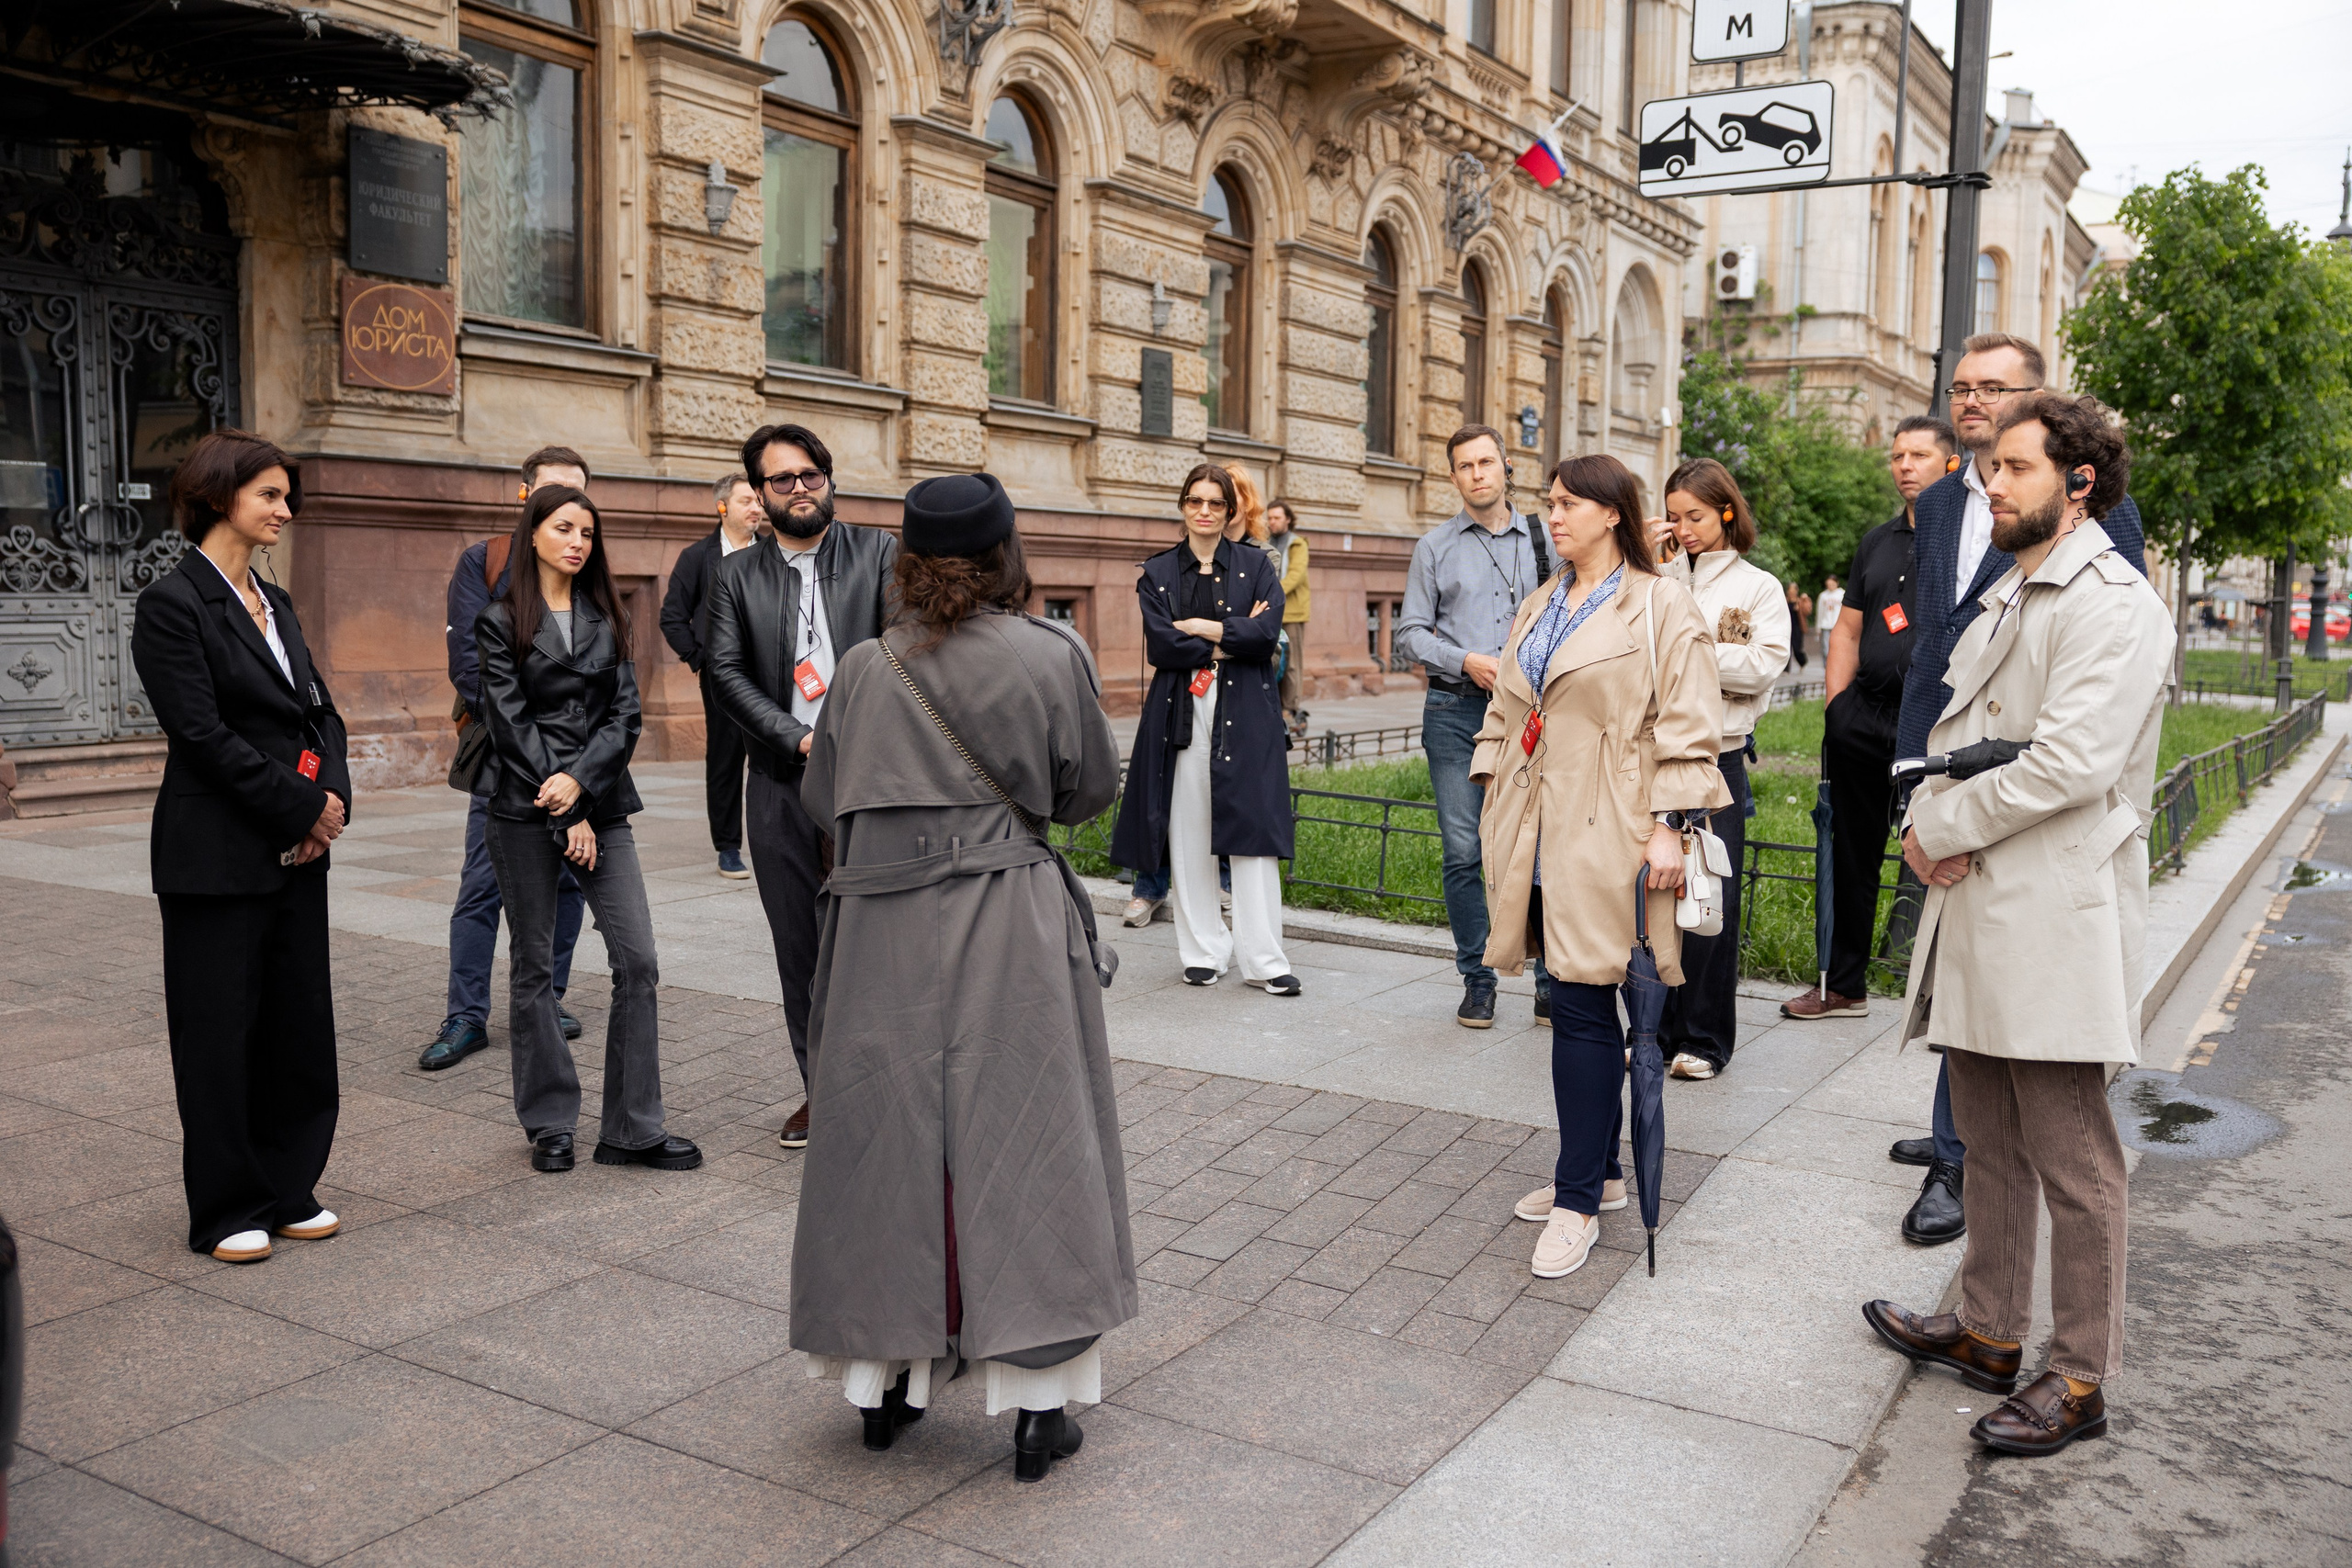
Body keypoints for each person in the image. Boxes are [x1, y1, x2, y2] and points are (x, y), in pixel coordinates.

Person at [792, 471, 1134, 1481]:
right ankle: (1037, 1410)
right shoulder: (1050, 652)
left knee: (882, 1143)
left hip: (879, 927)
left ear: (906, 558)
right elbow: (1086, 794)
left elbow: (825, 796)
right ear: (1003, 556)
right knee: (1029, 1137)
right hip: (1010, 921)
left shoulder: (862, 667)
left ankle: (882, 1392)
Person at [1863, 391, 2171, 1459]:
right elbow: (1956, 731)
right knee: (1987, 1136)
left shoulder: (2112, 603)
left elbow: (2072, 764)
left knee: (2072, 1161)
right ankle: (1991, 1328)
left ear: (2077, 484)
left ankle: (2080, 1374)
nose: (1988, 483)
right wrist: (1925, 816)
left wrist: (1935, 823)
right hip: (1983, 901)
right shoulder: (2014, 590)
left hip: (2048, 912)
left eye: (2014, 468)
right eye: (1989, 467)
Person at [1890, 334, 2148, 1246]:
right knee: (1962, 1029)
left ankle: (2075, 1379)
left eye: (1993, 389)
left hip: (2031, 843)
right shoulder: (1942, 504)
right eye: (1961, 388)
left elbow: (2084, 726)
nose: (1970, 402)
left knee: (2060, 1138)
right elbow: (1935, 650)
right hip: (1947, 786)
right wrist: (1914, 785)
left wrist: (1949, 820)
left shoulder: (2096, 542)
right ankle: (1982, 1306)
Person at [1472, 455, 1729, 1276]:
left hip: (1617, 826)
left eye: (1570, 503)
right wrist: (1489, 778)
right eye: (1548, 503)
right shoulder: (1542, 601)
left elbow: (1691, 723)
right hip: (1539, 825)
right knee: (1571, 994)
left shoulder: (1660, 604)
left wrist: (1670, 828)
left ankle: (1577, 1196)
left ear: (1614, 513)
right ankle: (1603, 1173)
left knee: (1587, 1005)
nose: (1554, 515)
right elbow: (1508, 704)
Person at [132, 430, 350, 1263]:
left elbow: (317, 711)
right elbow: (201, 735)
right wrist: (301, 809)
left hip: (298, 850)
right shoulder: (172, 604)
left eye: (286, 496)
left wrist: (332, 797)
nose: (285, 510)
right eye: (271, 495)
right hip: (216, 855)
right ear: (221, 494)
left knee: (297, 1027)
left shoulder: (279, 601)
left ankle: (289, 1186)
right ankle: (226, 1207)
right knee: (220, 1033)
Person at [475, 485, 697, 1175]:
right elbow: (508, 723)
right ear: (533, 535)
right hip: (522, 806)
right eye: (564, 527)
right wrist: (564, 807)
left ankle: (632, 1127)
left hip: (600, 800)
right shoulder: (499, 619)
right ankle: (549, 1122)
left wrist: (584, 791)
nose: (577, 541)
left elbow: (624, 717)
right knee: (535, 966)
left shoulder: (610, 615)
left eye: (588, 533)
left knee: (638, 960)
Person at [706, 423, 899, 1152]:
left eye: (810, 475)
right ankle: (825, 1092)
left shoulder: (879, 552)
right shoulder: (735, 576)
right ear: (757, 494)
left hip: (869, 782)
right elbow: (724, 673)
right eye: (781, 480)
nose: (799, 489)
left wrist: (849, 736)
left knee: (878, 942)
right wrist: (798, 736)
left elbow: (899, 650)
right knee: (801, 947)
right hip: (782, 781)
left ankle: (890, 1086)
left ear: (829, 478)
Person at [420, 447, 589, 1072]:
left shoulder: (586, 566)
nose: (567, 509)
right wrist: (531, 744)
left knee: (570, 877)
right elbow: (469, 667)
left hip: (574, 761)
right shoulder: (484, 561)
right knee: (483, 884)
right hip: (503, 753)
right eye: (552, 493)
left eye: (578, 497)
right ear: (525, 497)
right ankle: (466, 1015)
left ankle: (548, 997)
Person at [1782, 418, 1952, 1027]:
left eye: (1920, 454)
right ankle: (1842, 986)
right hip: (1863, 721)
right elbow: (1849, 627)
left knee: (1945, 852)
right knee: (1849, 858)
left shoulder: (1970, 540)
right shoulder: (1875, 542)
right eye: (1898, 454)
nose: (1906, 464)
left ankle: (1947, 995)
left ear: (1951, 465)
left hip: (1936, 730)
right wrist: (1836, 707)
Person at [1109, 464, 1299, 994]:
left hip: (1248, 711)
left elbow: (1267, 636)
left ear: (1230, 510)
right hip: (1180, 712)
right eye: (1196, 501)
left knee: (1253, 837)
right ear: (1183, 507)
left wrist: (1205, 628)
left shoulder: (1257, 565)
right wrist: (1232, 638)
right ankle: (1204, 952)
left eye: (1216, 503)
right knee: (1188, 829)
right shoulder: (1159, 572)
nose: (1206, 511)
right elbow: (1162, 645)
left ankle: (1265, 959)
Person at [1395, 424, 1556, 1027]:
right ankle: (1477, 979)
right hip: (1456, 710)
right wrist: (1465, 659)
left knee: (1536, 844)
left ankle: (1549, 981)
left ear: (1506, 467)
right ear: (1454, 476)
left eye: (1487, 461)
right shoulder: (1434, 547)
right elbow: (1408, 632)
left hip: (1532, 715)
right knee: (1464, 849)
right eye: (1465, 465)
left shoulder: (1546, 537)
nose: (1478, 473)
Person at [1652, 458, 1791, 1081]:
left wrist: (1689, 644)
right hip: (1653, 757)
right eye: (1675, 516)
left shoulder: (1758, 586)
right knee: (1653, 894)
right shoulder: (1655, 578)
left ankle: (1704, 1037)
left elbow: (1761, 668)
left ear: (1727, 512)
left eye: (1697, 516)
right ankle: (1654, 1030)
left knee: (1709, 895)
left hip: (1718, 758)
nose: (1684, 528)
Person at [659, 472, 766, 880]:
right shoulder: (697, 557)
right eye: (747, 501)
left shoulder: (773, 552)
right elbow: (672, 617)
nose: (757, 508)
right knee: (724, 761)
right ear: (722, 507)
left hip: (771, 674)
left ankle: (776, 836)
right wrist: (701, 658)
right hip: (722, 677)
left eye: (759, 501)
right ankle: (728, 847)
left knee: (774, 757)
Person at [1266, 498, 1311, 738]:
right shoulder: (1263, 542)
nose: (1271, 522)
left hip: (1291, 612)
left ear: (1288, 519)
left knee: (1292, 663)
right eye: (1269, 517)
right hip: (1270, 611)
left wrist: (1271, 595)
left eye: (1276, 517)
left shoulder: (1297, 544)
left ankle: (1289, 709)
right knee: (1272, 661)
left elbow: (1295, 576)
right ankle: (1271, 704)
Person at [1815, 574, 1845, 666]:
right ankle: (1827, 666)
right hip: (1826, 624)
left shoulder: (1842, 594)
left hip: (1838, 624)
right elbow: (1820, 611)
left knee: (1838, 647)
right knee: (1826, 648)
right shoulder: (1823, 595)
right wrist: (1818, 626)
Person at [1785, 579, 1814, 668]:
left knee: (1797, 648)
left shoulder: (1800, 601)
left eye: (1794, 590)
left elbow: (1808, 611)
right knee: (1786, 647)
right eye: (1790, 590)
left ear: (1797, 591)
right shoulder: (1785, 600)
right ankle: (1786, 669)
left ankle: (1803, 662)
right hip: (1786, 627)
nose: (1792, 592)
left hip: (1797, 627)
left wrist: (1804, 601)